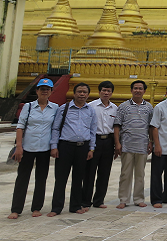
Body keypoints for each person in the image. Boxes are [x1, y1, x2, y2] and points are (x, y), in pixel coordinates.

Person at [8, 78, 58, 219]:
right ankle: (16, 209)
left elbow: (55, 128)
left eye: (47, 89)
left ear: (51, 92)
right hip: (28, 147)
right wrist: (19, 147)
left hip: (44, 148)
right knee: (22, 178)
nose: (44, 91)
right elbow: (20, 126)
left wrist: (54, 146)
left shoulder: (55, 108)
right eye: (42, 89)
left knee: (41, 179)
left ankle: (36, 207)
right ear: (37, 91)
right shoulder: (28, 106)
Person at [47, 83, 96, 216]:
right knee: (61, 178)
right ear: (74, 94)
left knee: (78, 177)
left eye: (84, 92)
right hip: (65, 146)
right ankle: (56, 207)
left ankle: (75, 205)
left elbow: (92, 130)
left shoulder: (90, 110)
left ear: (88, 95)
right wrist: (54, 146)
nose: (82, 94)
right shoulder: (64, 108)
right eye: (79, 91)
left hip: (83, 147)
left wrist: (91, 149)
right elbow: (56, 128)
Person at [114, 80, 153, 209]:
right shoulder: (123, 106)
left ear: (144, 91)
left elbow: (151, 127)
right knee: (125, 174)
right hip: (127, 145)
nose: (137, 90)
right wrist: (117, 143)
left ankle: (138, 198)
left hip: (142, 145)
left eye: (140, 88)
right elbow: (117, 126)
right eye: (135, 88)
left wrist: (150, 141)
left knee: (140, 174)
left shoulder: (149, 107)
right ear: (131, 90)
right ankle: (123, 199)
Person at [82, 80, 117, 211]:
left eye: (109, 91)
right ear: (99, 92)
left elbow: (116, 128)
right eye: (104, 90)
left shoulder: (115, 108)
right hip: (94, 140)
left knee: (104, 172)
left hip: (108, 141)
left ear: (112, 93)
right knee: (89, 172)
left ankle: (99, 200)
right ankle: (85, 200)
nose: (106, 93)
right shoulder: (91, 106)